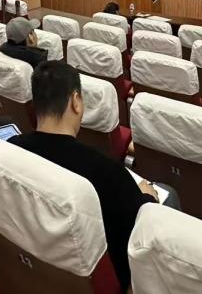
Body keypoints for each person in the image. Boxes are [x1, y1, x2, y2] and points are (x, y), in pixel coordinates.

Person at [11, 62, 159, 290]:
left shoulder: (12, 148)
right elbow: (141, 226)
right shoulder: (107, 172)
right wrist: (148, 198)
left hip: (36, 265)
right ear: (76, 101)